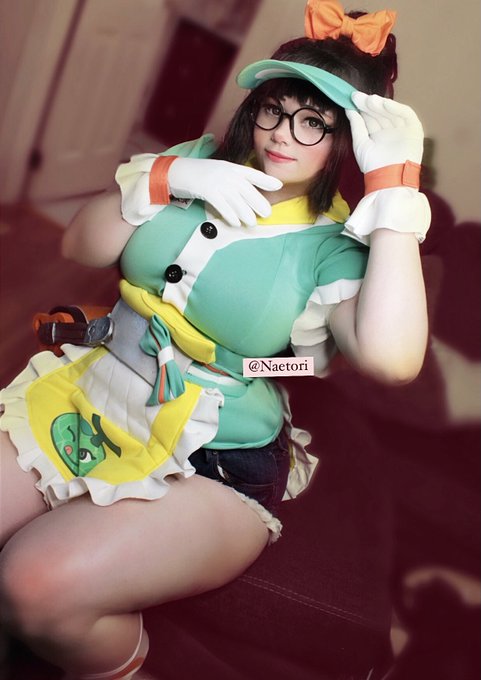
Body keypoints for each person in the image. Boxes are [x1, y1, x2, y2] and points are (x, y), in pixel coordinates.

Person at [0, 1, 431, 678]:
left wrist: (394, 189)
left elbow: (392, 360)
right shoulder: (197, 160)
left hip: (214, 459)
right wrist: (167, 178)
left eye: (313, 121)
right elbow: (78, 244)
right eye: (274, 109)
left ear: (346, 139)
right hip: (93, 395)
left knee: (31, 587)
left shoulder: (335, 244)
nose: (281, 134)